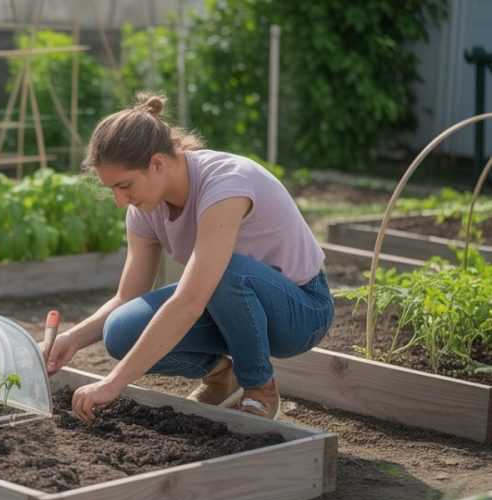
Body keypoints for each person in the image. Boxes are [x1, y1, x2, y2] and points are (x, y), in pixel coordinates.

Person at [45, 93, 333, 422]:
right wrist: (71, 339)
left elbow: (190, 301)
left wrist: (114, 382)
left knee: (227, 271)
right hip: (230, 309)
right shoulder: (145, 208)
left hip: (301, 312)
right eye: (112, 189)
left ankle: (259, 387)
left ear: (156, 163)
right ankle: (222, 377)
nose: (119, 201)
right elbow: (127, 296)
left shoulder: (226, 183)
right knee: (120, 332)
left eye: (124, 186)